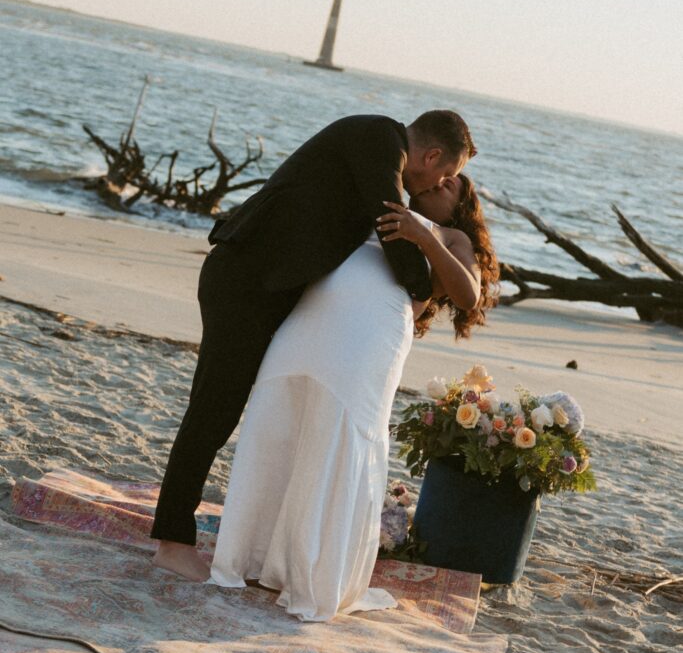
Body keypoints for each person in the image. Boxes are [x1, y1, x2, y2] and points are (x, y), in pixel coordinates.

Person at [151, 111, 475, 581]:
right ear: (430, 155)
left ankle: (190, 536)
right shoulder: (379, 138)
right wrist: (416, 290)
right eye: (444, 174)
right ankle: (172, 542)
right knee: (213, 410)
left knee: (224, 408)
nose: (436, 183)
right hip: (243, 279)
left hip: (267, 289)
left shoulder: (382, 147)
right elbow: (390, 225)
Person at [208, 171, 498, 620]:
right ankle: (250, 555)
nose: (440, 184)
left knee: (338, 441)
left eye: (452, 185)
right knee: (276, 423)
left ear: (462, 204)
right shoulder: (384, 203)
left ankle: (313, 572)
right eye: (439, 178)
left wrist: (425, 236)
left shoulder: (450, 235)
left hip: (371, 340)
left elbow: (468, 294)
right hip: (312, 320)